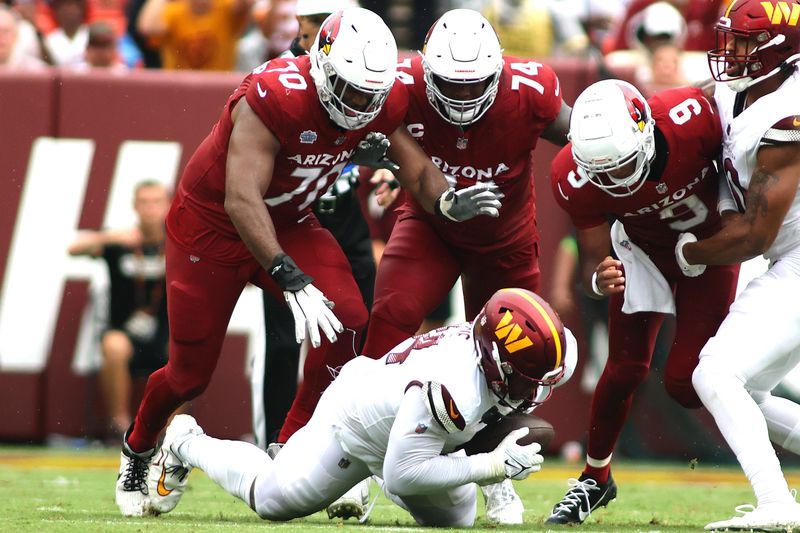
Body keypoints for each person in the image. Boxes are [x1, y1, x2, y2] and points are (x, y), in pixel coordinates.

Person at [115, 6, 502, 518]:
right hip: (211, 229)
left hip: (291, 220)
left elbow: (417, 167)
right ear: (321, 68)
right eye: (352, 90)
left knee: (348, 322)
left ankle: (292, 444)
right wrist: (284, 271)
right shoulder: (274, 93)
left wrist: (448, 200)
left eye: (372, 94)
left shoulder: (379, 94)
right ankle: (139, 448)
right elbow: (240, 198)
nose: (363, 104)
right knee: (189, 375)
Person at [362, 11, 571, 523]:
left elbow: (582, 142)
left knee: (515, 362)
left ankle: (494, 473)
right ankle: (363, 467)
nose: (460, 97)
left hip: (506, 239)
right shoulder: (401, 84)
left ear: (497, 72)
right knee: (392, 313)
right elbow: (372, 135)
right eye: (449, 85)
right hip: (432, 224)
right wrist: (393, 166)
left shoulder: (530, 89)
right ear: (426, 70)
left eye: (473, 84)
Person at [145, 288, 578, 525]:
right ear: (496, 359)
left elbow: (494, 408)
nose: (533, 393)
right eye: (525, 379)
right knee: (274, 502)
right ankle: (186, 443)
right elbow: (405, 475)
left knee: (457, 520)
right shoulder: (452, 386)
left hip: (414, 427)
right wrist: (494, 467)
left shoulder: (504, 354)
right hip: (355, 424)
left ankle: (401, 469)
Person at [545, 78, 740, 524]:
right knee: (625, 367)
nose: (617, 179)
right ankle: (594, 479)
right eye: (605, 173)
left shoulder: (691, 118)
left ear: (645, 129)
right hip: (643, 252)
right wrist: (600, 278)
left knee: (688, 385)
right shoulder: (571, 175)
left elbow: (729, 113)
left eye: (622, 165)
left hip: (709, 250)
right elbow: (597, 261)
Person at [673, 0, 800, 529]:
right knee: (744, 392)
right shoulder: (743, 88)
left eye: (747, 43)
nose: (733, 54)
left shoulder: (787, 111)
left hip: (793, 257)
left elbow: (754, 234)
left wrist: (692, 254)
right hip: (788, 257)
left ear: (779, 50)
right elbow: (686, 108)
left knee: (716, 373)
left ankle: (776, 504)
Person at [251, 0, 377, 520]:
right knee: (284, 342)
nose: (310, 30)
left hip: (341, 222)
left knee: (356, 337)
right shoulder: (279, 79)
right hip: (292, 222)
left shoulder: (371, 67)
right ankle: (279, 448)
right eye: (309, 21)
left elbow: (392, 127)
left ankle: (339, 451)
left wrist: (391, 170)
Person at [68, 181, 171, 439]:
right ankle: (122, 426)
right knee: (114, 345)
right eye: (144, 202)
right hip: (124, 332)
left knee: (186, 350)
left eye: (156, 202)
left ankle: (171, 434)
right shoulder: (120, 241)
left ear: (168, 205)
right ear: (135, 206)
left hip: (167, 334)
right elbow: (74, 249)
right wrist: (108, 237)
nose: (150, 209)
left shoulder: (178, 242)